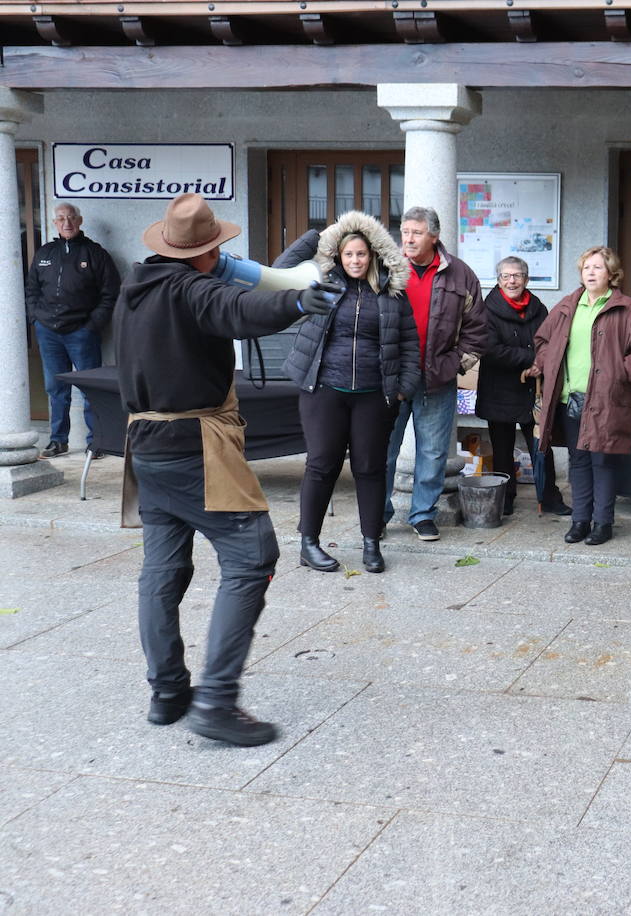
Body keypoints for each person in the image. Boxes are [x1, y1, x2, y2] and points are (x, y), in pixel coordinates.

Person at [115, 193, 337, 746]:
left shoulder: (137, 288)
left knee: (163, 572)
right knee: (252, 555)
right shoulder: (192, 290)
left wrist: (289, 290)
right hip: (192, 447)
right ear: (206, 252)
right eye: (218, 248)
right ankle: (215, 701)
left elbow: (231, 300)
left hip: (146, 445)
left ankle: (167, 692)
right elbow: (237, 310)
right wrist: (299, 303)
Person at [278, 211, 420, 575]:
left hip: (374, 394)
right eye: (348, 254)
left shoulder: (391, 293)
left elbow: (409, 343)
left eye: (361, 254)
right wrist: (318, 236)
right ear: (338, 257)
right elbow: (280, 271)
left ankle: (372, 543)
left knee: (371, 469)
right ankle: (308, 543)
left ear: (373, 255)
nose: (355, 261)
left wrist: (403, 389)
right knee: (321, 465)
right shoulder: (321, 283)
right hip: (324, 390)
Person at [530, 246, 631, 546]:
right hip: (569, 398)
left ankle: (603, 523)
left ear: (611, 274)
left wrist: (620, 373)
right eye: (586, 267)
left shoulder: (627, 308)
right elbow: (542, 339)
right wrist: (548, 361)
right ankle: (580, 520)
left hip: (606, 399)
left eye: (597, 267)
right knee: (578, 460)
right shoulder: (568, 305)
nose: (590, 273)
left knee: (603, 461)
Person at [384, 206, 486, 542]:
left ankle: (423, 515)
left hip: (436, 378)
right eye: (405, 231)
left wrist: (457, 364)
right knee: (383, 449)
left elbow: (477, 329)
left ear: (434, 236)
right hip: (392, 377)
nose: (408, 239)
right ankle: (378, 515)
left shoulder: (461, 274)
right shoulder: (386, 267)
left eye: (416, 232)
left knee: (433, 452)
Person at [24, 202, 121, 459]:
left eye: (71, 218)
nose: (66, 223)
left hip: (82, 332)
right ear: (55, 223)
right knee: (55, 388)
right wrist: (36, 318)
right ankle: (58, 441)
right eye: (61, 219)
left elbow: (111, 293)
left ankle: (96, 442)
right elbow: (31, 290)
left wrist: (92, 326)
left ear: (80, 221)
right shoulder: (45, 253)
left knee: (91, 389)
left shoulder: (95, 254)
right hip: (49, 332)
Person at [477, 256, 571, 517]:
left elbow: (548, 340)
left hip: (533, 390)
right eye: (505, 276)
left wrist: (541, 362)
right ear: (498, 281)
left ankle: (550, 497)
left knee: (542, 446)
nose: (512, 281)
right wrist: (532, 359)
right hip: (499, 390)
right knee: (503, 449)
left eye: (517, 275)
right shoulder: (487, 309)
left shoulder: (538, 308)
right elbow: (491, 350)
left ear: (526, 279)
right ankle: (505, 499)